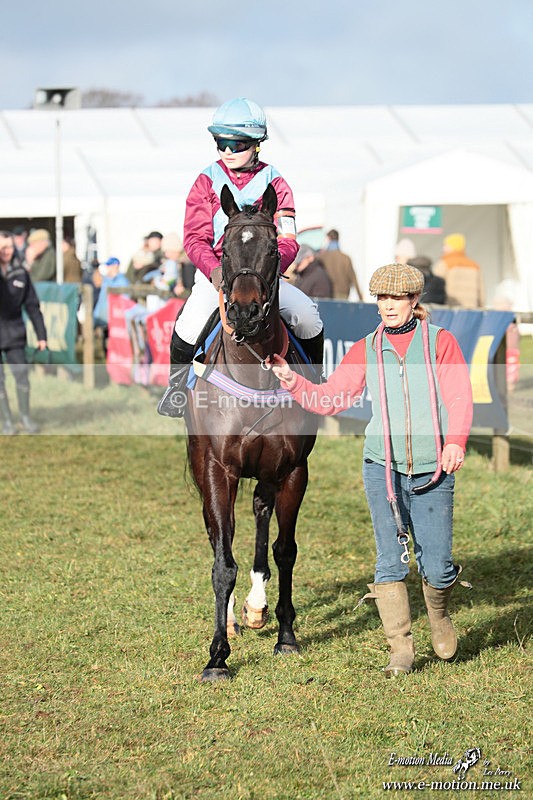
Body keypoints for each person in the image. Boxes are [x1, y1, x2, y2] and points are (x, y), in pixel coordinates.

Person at [269, 262, 473, 677]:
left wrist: (455, 441)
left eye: (397, 297)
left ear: (414, 300)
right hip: (382, 467)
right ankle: (400, 650)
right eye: (381, 297)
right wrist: (291, 379)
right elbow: (330, 399)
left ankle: (439, 615)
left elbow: (458, 396)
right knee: (390, 561)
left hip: (433, 467)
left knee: (436, 565)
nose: (389, 305)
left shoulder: (440, 342)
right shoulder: (366, 348)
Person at [157, 97, 324, 418]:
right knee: (189, 326)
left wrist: (272, 271)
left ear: (257, 145)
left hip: (264, 278)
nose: (227, 152)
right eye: (220, 143)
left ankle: (316, 386)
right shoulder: (205, 181)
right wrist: (214, 270)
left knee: (307, 316)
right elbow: (194, 237)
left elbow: (288, 239)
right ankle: (176, 390)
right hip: (216, 275)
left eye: (236, 144)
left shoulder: (276, 182)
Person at [0, 231, 48, 434]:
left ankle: (25, 418)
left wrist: (41, 335)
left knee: (22, 376)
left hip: (15, 333)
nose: (6, 251)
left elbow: (32, 305)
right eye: (1, 248)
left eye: (9, 247)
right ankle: (7, 422)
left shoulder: (21, 272)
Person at [434, 233, 484, 308]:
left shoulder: (444, 263)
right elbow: (481, 291)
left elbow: (435, 286)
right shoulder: (474, 265)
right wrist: (481, 307)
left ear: (452, 247)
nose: (443, 248)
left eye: (446, 245)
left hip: (451, 308)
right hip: (472, 308)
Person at [320, 229, 362, 300]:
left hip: (327, 293)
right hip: (343, 294)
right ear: (338, 239)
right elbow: (353, 278)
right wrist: (360, 297)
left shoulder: (322, 257)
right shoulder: (346, 258)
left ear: (328, 239)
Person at [93, 257, 130, 330]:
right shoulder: (106, 279)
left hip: (113, 316)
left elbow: (125, 299)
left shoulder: (122, 281)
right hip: (100, 315)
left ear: (115, 266)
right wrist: (96, 269)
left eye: (108, 266)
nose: (107, 268)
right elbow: (97, 282)